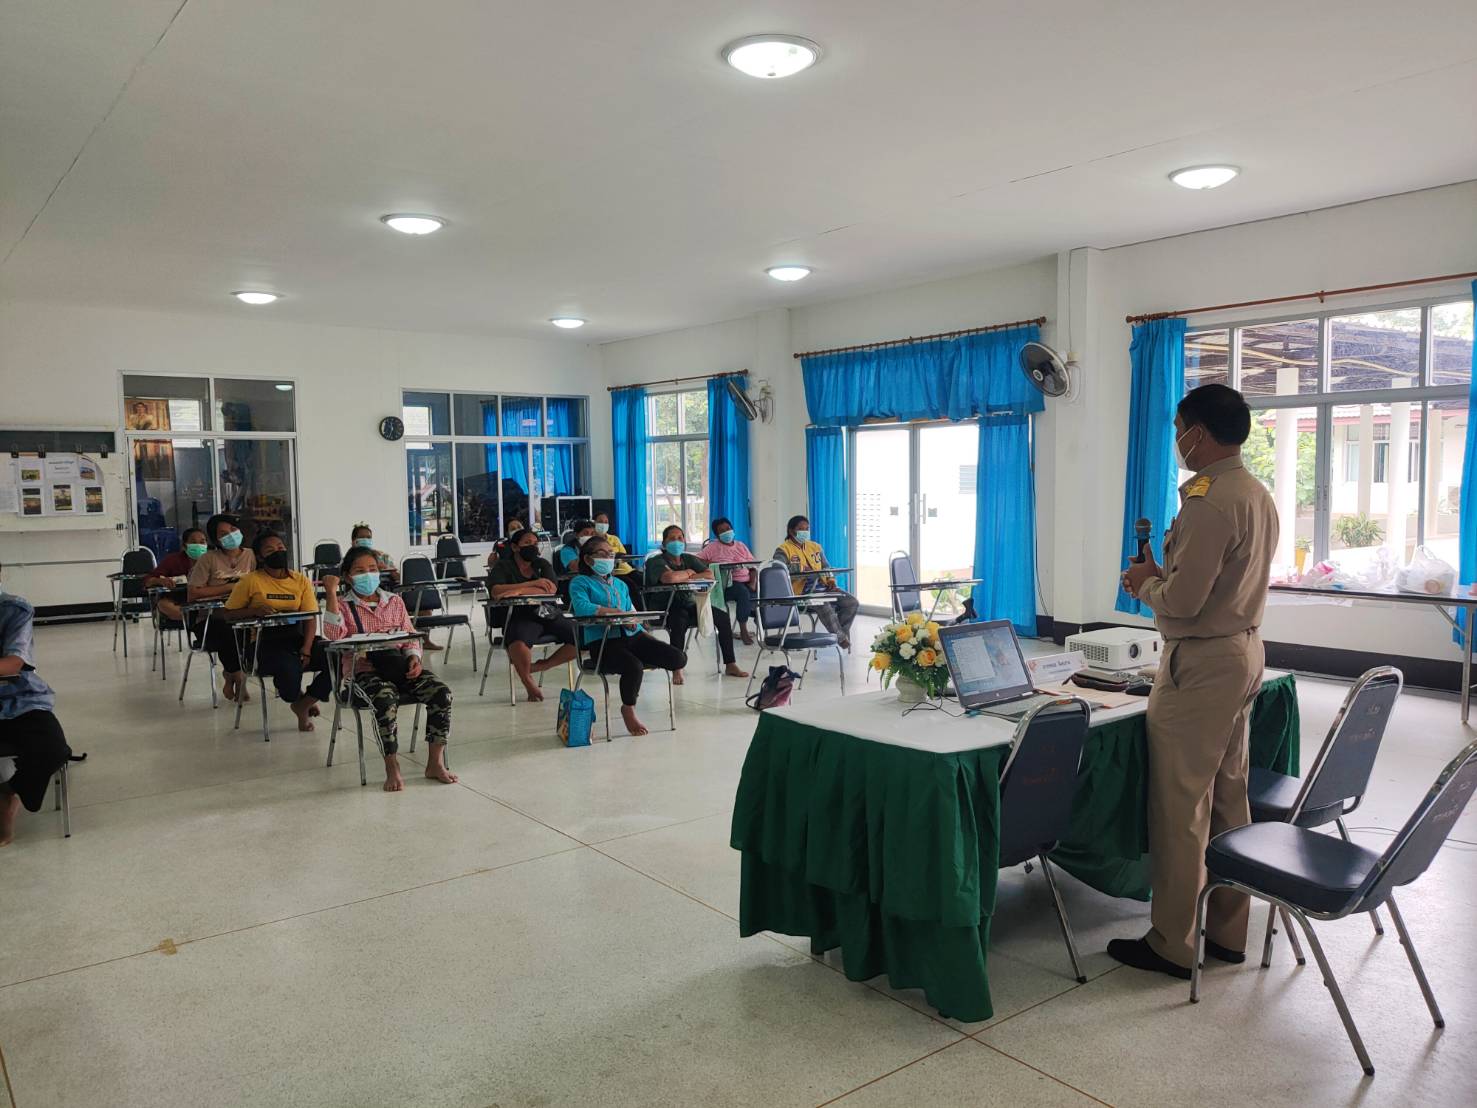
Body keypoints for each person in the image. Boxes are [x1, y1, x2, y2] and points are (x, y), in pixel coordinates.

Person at [1113, 383, 1278, 980]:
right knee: (1230, 797)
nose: (1177, 440)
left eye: (1179, 429)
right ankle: (1229, 932)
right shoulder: (1254, 492)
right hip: (1242, 651)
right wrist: (1164, 574)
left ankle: (1173, 943)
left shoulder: (1208, 501)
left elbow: (1182, 602)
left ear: (1199, 434)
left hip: (1202, 662)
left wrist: (1144, 586)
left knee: (1182, 805)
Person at [320, 548, 457, 791]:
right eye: (360, 571)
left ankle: (435, 763)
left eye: (372, 570)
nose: (368, 575)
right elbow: (332, 637)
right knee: (385, 700)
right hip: (363, 673)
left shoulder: (394, 601)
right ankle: (392, 767)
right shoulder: (342, 605)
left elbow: (410, 637)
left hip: (399, 666)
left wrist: (414, 657)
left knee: (441, 692)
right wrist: (331, 592)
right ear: (347, 577)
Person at [569, 538, 685, 736]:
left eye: (611, 554)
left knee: (677, 658)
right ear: (588, 559)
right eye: (603, 554)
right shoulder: (580, 582)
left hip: (633, 636)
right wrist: (611, 612)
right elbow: (581, 608)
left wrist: (633, 619)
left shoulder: (621, 584)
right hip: (604, 642)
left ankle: (637, 659)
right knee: (633, 666)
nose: (608, 558)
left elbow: (630, 609)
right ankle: (628, 708)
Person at [0, 562, 73, 846]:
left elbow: (13, 663)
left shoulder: (14, 609)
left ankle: (9, 794)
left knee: (52, 751)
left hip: (20, 700)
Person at [222, 531, 324, 732]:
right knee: (289, 669)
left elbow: (310, 616)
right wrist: (253, 611)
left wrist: (307, 648)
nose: (277, 552)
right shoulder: (250, 581)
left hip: (296, 638)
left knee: (336, 658)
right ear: (260, 557)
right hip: (263, 643)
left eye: (280, 547)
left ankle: (303, 703)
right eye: (270, 550)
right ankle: (297, 698)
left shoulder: (300, 580)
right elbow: (227, 615)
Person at [644, 524, 746, 681]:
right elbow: (668, 578)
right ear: (664, 544)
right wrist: (689, 572)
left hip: (689, 605)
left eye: (680, 538)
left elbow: (709, 574)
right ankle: (677, 668)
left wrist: (687, 576)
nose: (677, 542)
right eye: (672, 539)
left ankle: (730, 664)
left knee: (723, 617)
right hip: (665, 610)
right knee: (679, 620)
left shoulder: (688, 558)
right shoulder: (655, 561)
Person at [487, 528, 579, 701]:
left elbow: (551, 589)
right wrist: (535, 584)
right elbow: (497, 591)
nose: (533, 547)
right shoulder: (504, 565)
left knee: (581, 637)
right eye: (527, 543)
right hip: (518, 614)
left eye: (535, 544)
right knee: (518, 641)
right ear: (515, 547)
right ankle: (527, 681)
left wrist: (517, 590)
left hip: (546, 611)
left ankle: (543, 665)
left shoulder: (542, 564)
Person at [187, 513, 255, 702]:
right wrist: (229, 587)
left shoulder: (251, 555)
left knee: (245, 631)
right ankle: (238, 675)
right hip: (211, 620)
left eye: (233, 530)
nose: (230, 535)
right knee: (228, 630)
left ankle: (231, 674)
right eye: (223, 533)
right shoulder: (208, 559)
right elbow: (193, 593)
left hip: (244, 615)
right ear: (216, 539)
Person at [775, 515, 859, 650]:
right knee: (823, 603)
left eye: (807, 529)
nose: (805, 532)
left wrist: (831, 580)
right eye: (800, 529)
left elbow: (826, 567)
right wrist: (801, 568)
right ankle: (841, 638)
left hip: (823, 587)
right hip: (801, 592)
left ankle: (839, 634)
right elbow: (779, 569)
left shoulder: (815, 547)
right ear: (791, 531)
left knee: (852, 602)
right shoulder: (784, 549)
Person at [697, 517, 757, 645]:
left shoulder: (741, 546)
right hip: (728, 584)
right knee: (743, 593)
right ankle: (743, 630)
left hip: (747, 581)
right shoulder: (713, 547)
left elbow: (753, 566)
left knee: (765, 590)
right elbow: (697, 560)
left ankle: (763, 624)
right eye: (722, 531)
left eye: (728, 529)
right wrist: (713, 563)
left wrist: (753, 582)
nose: (726, 532)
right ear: (717, 535)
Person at [143, 527, 208, 623]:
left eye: (202, 542)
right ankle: (195, 618)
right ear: (185, 546)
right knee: (163, 604)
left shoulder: (211, 559)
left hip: (204, 599)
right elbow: (147, 581)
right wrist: (160, 581)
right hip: (177, 600)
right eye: (194, 542)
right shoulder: (173, 560)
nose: (199, 545)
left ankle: (200, 617)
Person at [593, 511, 636, 576]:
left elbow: (624, 556)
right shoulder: (591, 541)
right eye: (600, 521)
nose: (603, 524)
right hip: (613, 574)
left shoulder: (614, 538)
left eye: (606, 522)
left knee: (646, 579)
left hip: (628, 570)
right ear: (594, 523)